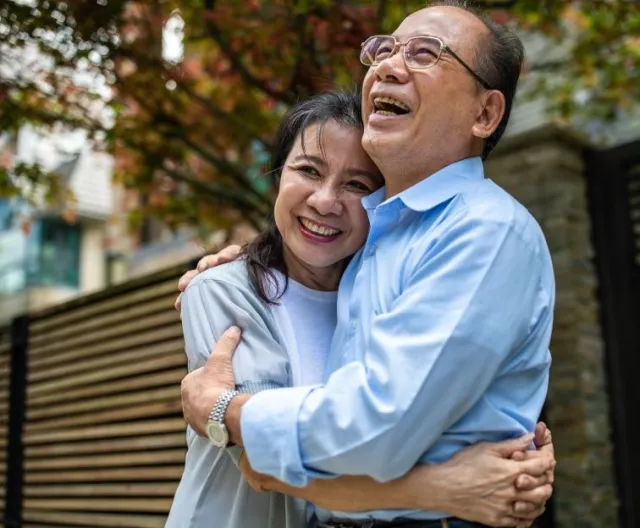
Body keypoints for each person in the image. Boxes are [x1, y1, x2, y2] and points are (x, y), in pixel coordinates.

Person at [179, 2, 557, 527]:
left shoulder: (484, 232)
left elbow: (378, 425)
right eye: (383, 49)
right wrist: (443, 487)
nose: (388, 64)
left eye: (426, 53)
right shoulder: (376, 241)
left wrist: (223, 411)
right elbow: (273, 468)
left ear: (484, 114)